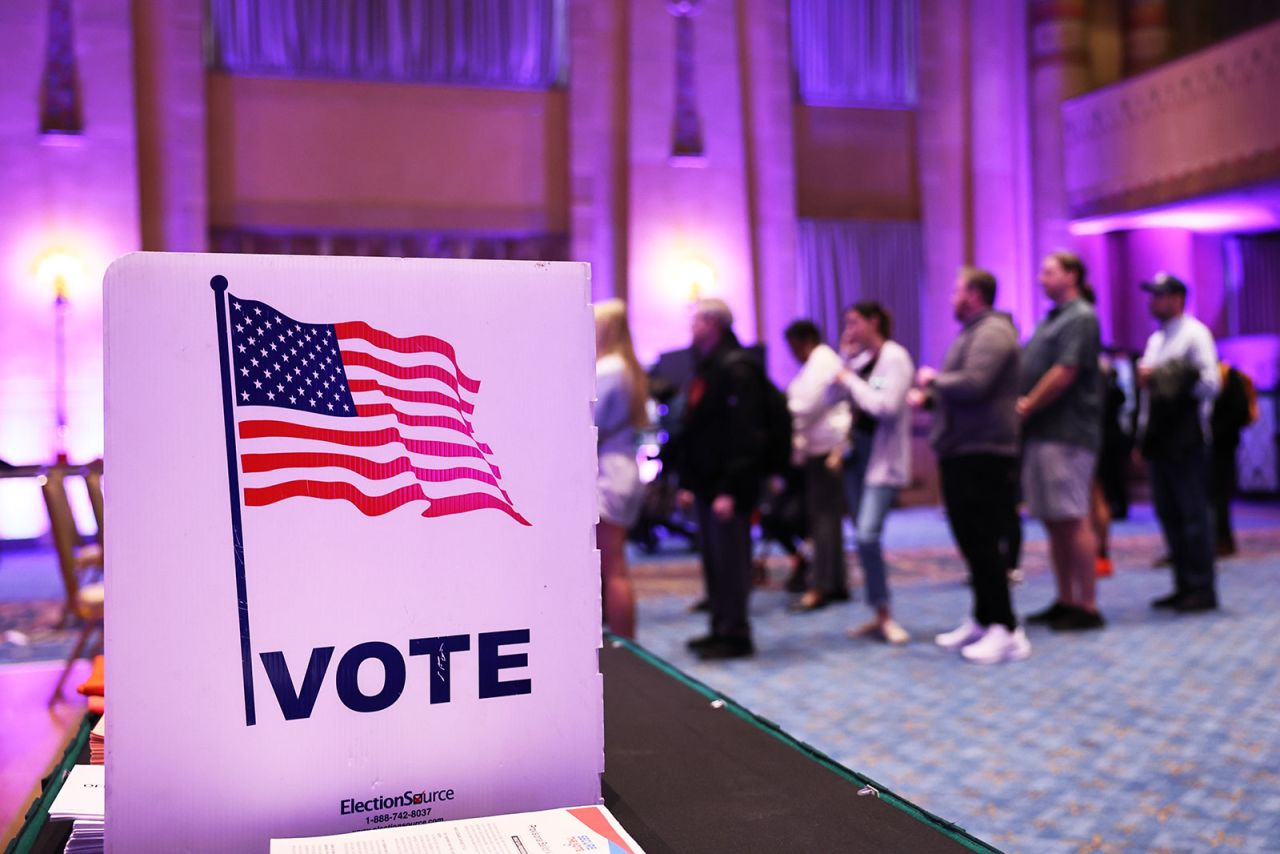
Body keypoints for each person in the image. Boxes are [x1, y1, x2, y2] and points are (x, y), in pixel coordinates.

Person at [915, 267, 1030, 663]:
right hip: (965, 448)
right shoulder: (974, 331)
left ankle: (1006, 628)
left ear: (976, 295)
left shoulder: (993, 332)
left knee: (983, 540)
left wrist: (933, 381)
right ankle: (984, 617)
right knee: (971, 539)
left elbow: (975, 384)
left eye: (957, 290)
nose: (951, 298)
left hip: (985, 450)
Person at [671, 298, 767, 660]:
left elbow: (746, 435)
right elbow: (698, 431)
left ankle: (737, 633)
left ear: (712, 322)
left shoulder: (737, 367)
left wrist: (730, 488)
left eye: (695, 321)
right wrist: (688, 482)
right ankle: (720, 627)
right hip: (708, 484)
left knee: (732, 560)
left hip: (728, 487)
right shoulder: (709, 366)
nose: (690, 328)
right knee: (714, 560)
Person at [1019, 251, 1105, 632]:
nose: (1040, 278)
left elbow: (1065, 371)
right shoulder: (1054, 317)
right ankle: (1065, 599)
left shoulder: (1081, 316)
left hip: (1068, 432)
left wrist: (1027, 405)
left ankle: (1087, 605)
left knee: (1072, 518)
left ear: (1071, 275)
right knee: (1054, 521)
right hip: (1045, 431)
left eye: (1048, 271)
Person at [1138, 272, 1220, 612]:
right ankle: (1183, 583)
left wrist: (1174, 378)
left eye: (1160, 295)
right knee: (1169, 512)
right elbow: (1148, 396)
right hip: (1160, 435)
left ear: (1177, 298)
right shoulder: (1156, 339)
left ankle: (1201, 587)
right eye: (1152, 294)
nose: (1153, 301)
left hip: (1186, 436)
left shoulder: (1195, 333)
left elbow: (1211, 384)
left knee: (1192, 514)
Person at [832, 302, 913, 644]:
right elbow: (831, 396)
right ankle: (879, 612)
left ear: (873, 321)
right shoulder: (859, 361)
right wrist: (843, 360)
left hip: (882, 459)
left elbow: (885, 407)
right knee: (864, 541)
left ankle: (885, 612)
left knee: (866, 534)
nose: (849, 328)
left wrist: (850, 379)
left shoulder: (894, 357)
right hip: (855, 460)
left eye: (854, 322)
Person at [782, 320, 851, 612]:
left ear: (805, 340)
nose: (792, 353)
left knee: (823, 521)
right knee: (826, 520)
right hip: (818, 449)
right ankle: (833, 581)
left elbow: (806, 406)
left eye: (794, 347)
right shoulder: (816, 364)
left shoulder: (823, 361)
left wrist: (785, 415)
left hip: (826, 451)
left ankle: (823, 584)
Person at [594, 300, 649, 639]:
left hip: (608, 474)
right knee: (614, 565)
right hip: (623, 469)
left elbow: (588, 421)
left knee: (612, 567)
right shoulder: (627, 368)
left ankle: (625, 646)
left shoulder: (608, 369)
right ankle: (623, 643)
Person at [1210, 360, 1257, 558]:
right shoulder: (1220, 375)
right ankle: (1216, 539)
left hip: (1223, 446)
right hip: (1213, 444)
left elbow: (1238, 413)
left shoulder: (1227, 375)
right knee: (1212, 496)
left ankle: (1224, 540)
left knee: (1219, 495)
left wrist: (1217, 432)